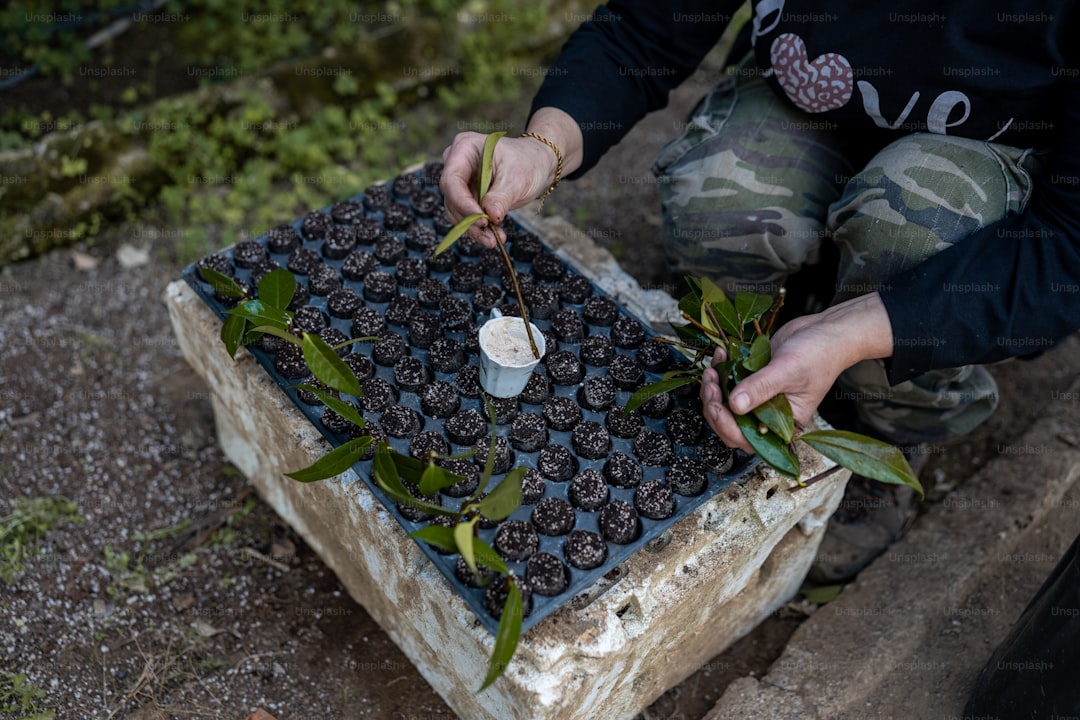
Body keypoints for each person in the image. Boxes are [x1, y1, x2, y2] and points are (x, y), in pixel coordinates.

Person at [440, 1, 1080, 578]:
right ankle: (762, 334)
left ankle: (885, 422)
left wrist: (850, 332)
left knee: (908, 236)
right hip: (805, 94)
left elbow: (1068, 249)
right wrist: (542, 148)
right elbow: (642, 30)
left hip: (988, 148)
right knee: (721, 199)